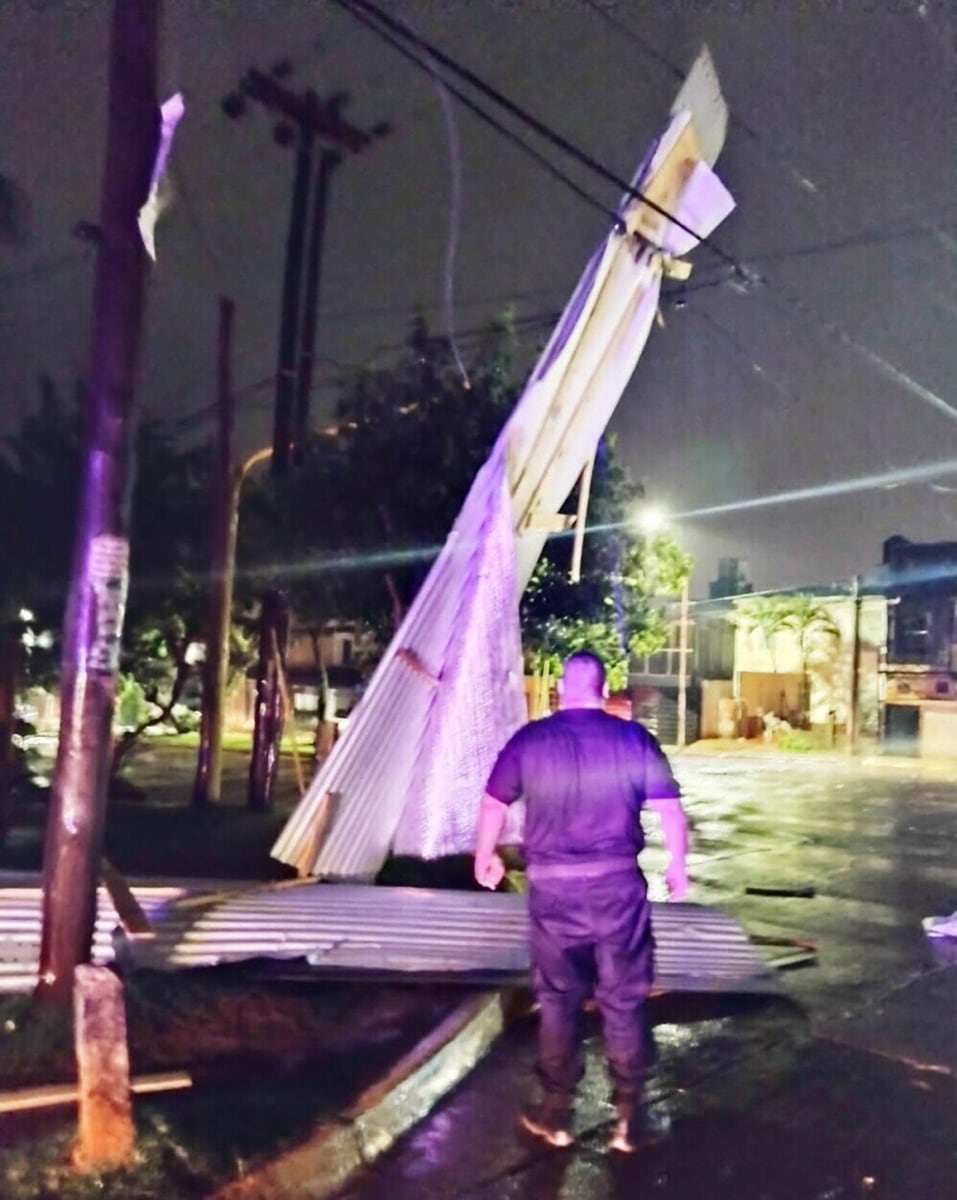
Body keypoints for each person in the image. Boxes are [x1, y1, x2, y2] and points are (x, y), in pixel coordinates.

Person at [473, 650, 689, 1154]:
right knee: (623, 998)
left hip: (553, 892)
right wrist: (677, 865)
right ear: (603, 687)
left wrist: (486, 855)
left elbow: (492, 802)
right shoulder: (631, 738)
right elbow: (670, 810)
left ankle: (555, 1113)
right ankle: (630, 1118)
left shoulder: (531, 740)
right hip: (617, 890)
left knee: (558, 999)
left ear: (561, 690)